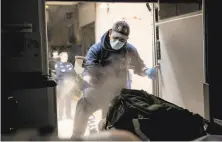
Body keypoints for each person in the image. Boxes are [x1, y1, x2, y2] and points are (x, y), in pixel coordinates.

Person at [73, 21, 159, 136]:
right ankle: (76, 137)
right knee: (82, 106)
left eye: (123, 40)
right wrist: (87, 79)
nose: (119, 42)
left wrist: (147, 71)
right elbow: (90, 68)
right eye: (116, 37)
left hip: (118, 93)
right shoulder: (96, 49)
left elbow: (139, 66)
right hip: (98, 90)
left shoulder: (129, 50)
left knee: (111, 124)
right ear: (110, 33)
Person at [55, 52, 76, 120]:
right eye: (64, 56)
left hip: (69, 84)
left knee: (68, 101)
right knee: (61, 101)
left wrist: (64, 71)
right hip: (61, 85)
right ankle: (60, 116)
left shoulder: (69, 64)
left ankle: (68, 115)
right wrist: (68, 72)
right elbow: (58, 74)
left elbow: (73, 73)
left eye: (66, 56)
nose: (66, 58)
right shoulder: (57, 64)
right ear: (61, 57)